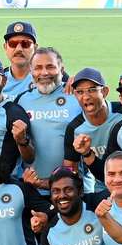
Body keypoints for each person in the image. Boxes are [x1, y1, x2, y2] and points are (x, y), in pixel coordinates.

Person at [16, 47, 81, 179]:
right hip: (33, 186)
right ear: (31, 71)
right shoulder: (22, 100)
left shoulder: (77, 95)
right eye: (38, 68)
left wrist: (82, 80)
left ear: (61, 70)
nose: (44, 73)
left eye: (50, 67)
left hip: (73, 188)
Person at [0, 21, 37, 99]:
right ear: (5, 47)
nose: (19, 49)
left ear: (35, 48)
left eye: (26, 44)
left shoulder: (49, 76)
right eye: (12, 44)